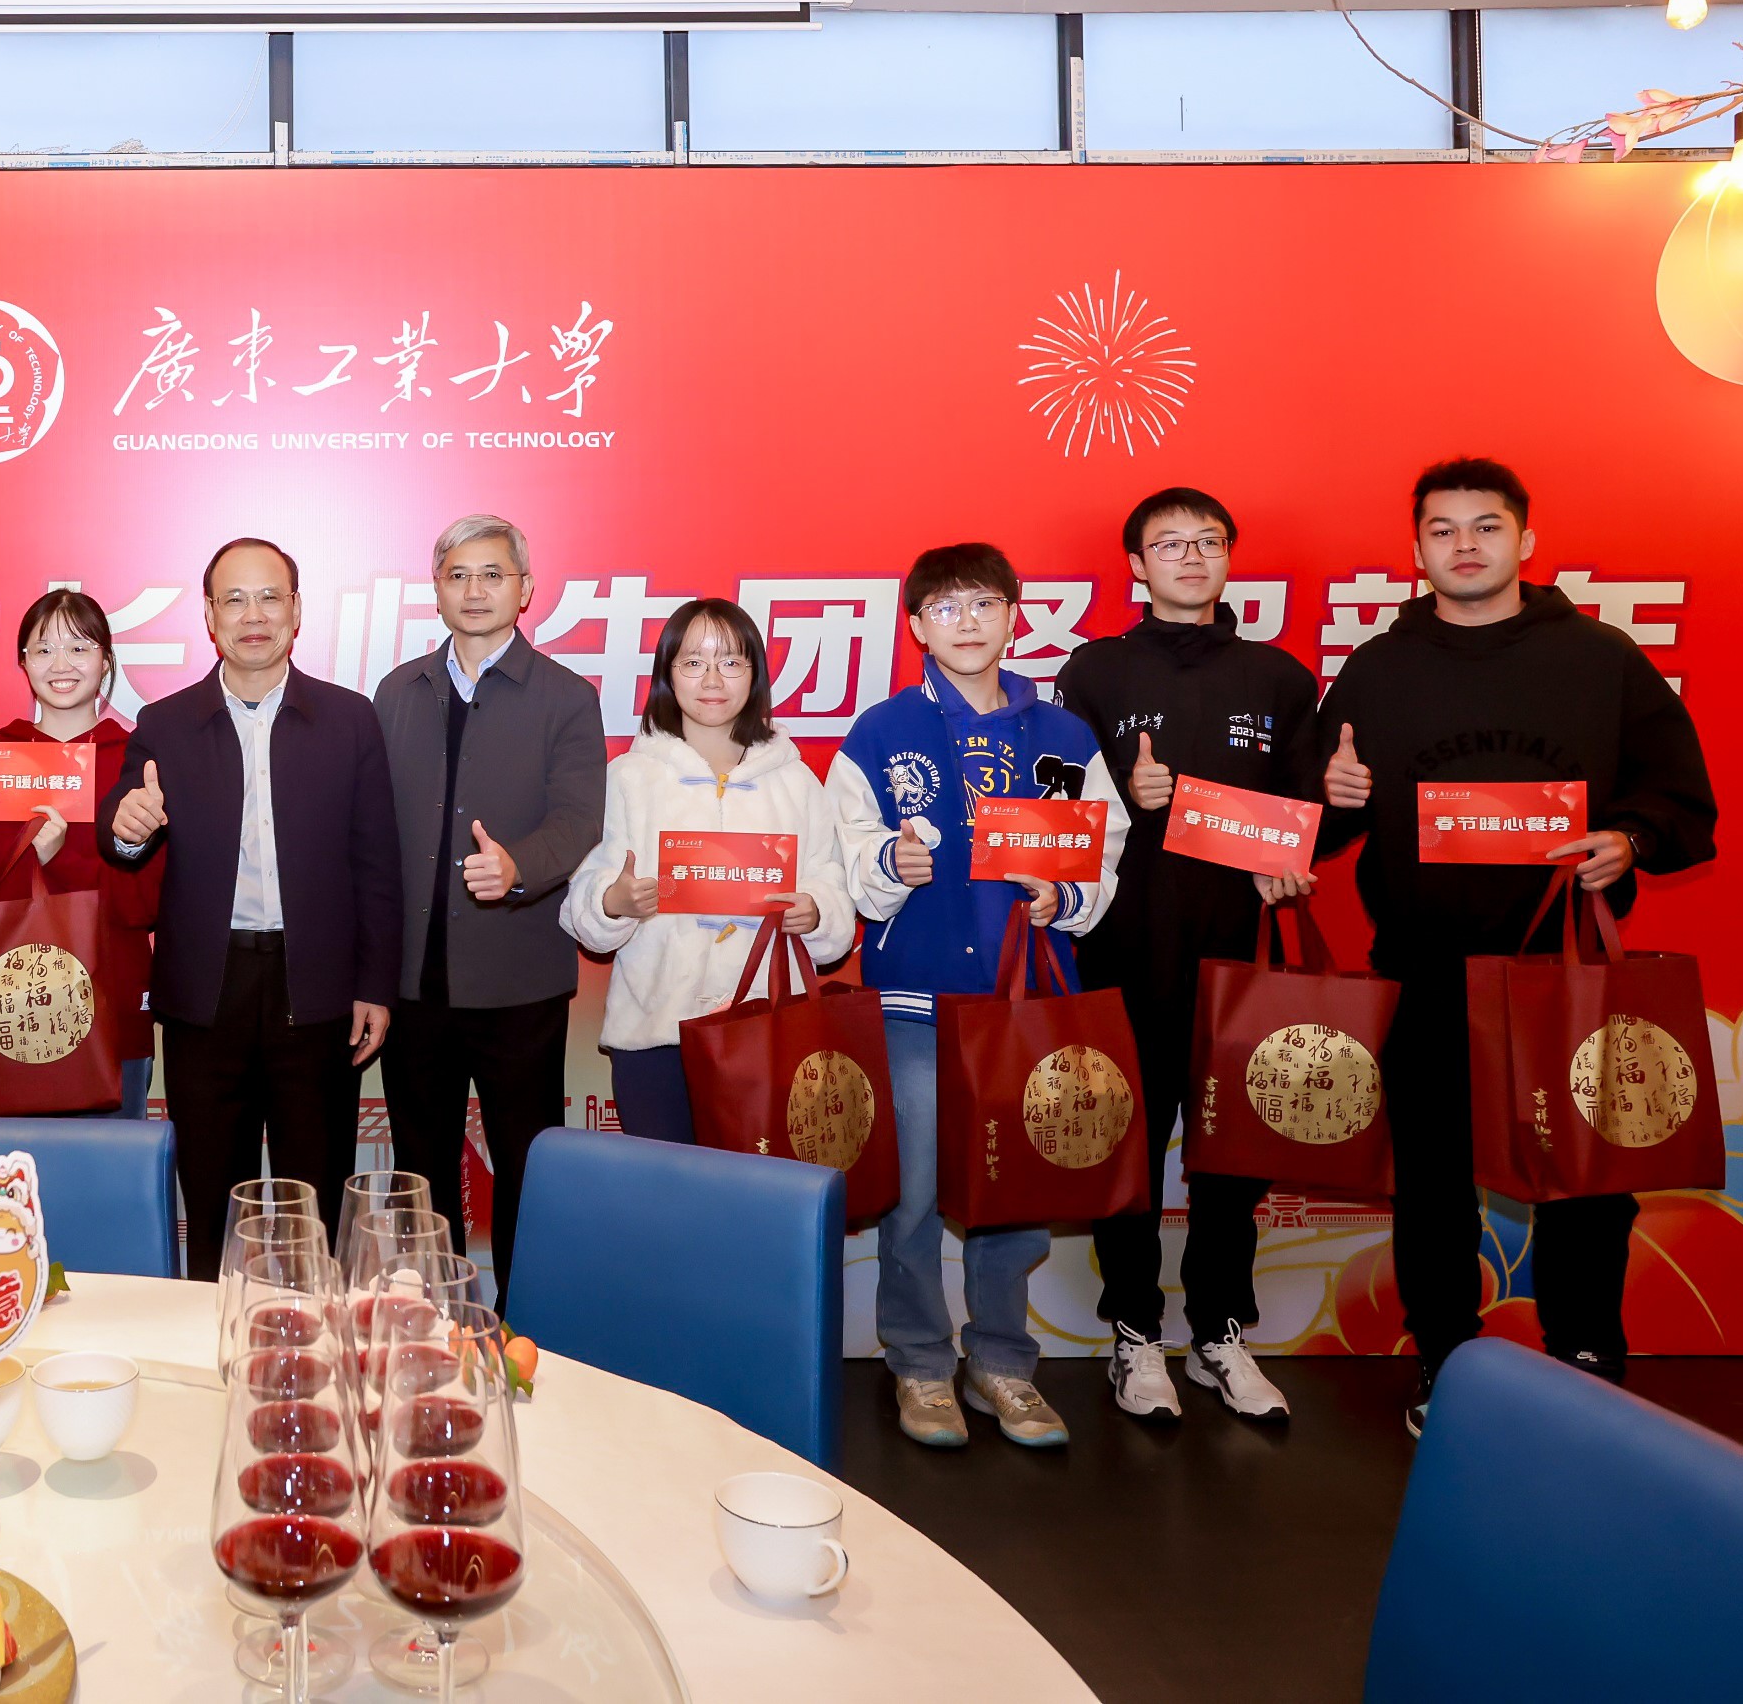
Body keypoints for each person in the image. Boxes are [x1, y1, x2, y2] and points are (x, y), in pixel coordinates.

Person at [1317, 457, 1716, 1435]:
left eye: (1485, 526)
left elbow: (1681, 799)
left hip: (1563, 968)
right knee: (1432, 1184)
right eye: (1442, 529)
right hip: (1424, 966)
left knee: (1586, 1177)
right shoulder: (1377, 668)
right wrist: (1330, 794)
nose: (1464, 545)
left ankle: (1585, 1360)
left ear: (1524, 540)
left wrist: (1630, 839)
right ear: (1416, 549)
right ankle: (1448, 1363)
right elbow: (1317, 824)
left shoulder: (1599, 658)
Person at [831, 543, 1128, 1453]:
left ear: (1013, 616)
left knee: (1014, 1189)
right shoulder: (880, 732)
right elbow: (849, 848)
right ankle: (921, 1362)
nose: (966, 620)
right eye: (945, 606)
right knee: (912, 1195)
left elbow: (1101, 849)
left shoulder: (1063, 737)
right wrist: (890, 865)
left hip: (1023, 1003)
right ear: (917, 625)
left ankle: (1002, 1363)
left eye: (984, 603)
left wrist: (1063, 897)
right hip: (915, 1000)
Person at [1053, 487, 1319, 1430]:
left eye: (1208, 541)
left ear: (1230, 555)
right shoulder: (1094, 670)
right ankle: (1134, 1331)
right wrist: (1124, 794)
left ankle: (1219, 1332)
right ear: (1137, 565)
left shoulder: (1279, 677)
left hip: (1237, 956)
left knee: (1231, 1152)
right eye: (1169, 544)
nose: (1191, 556)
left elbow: (1307, 813)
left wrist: (1295, 857)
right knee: (1124, 1141)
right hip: (1120, 950)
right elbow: (1061, 810)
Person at [102, 538, 400, 1272]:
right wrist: (128, 826)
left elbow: (377, 864)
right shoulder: (165, 723)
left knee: (316, 1199)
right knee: (211, 1200)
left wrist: (375, 984)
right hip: (207, 994)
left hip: (318, 989)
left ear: (296, 611)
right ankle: (210, 1332)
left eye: (270, 597)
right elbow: (121, 827)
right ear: (209, 617)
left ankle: (316, 1334)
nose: (253, 615)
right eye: (234, 600)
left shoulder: (350, 719)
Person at [373, 516, 606, 1296]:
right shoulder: (397, 692)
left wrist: (517, 867)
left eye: (493, 574)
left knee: (528, 1165)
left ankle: (524, 1324)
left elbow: (579, 820)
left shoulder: (566, 697)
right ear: (437, 590)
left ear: (525, 589)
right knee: (420, 1169)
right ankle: (431, 1320)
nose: (475, 590)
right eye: (459, 575)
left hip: (519, 982)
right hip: (413, 985)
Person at [561, 595, 853, 1144]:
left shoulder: (794, 782)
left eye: (731, 662)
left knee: (754, 1186)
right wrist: (612, 902)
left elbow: (830, 885)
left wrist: (816, 913)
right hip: (655, 1030)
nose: (712, 679)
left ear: (755, 673)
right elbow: (584, 896)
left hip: (765, 1028)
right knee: (662, 1188)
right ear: (668, 674)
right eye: (693, 662)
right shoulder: (629, 778)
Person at [0, 589, 165, 1118]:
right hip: (6, 1005)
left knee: (112, 1162)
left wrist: (62, 859)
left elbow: (150, 902)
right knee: (8, 1166)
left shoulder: (138, 760)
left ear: (106, 660)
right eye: (44, 649)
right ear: (22, 661)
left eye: (79, 648)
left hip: (110, 1001)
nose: (61, 665)